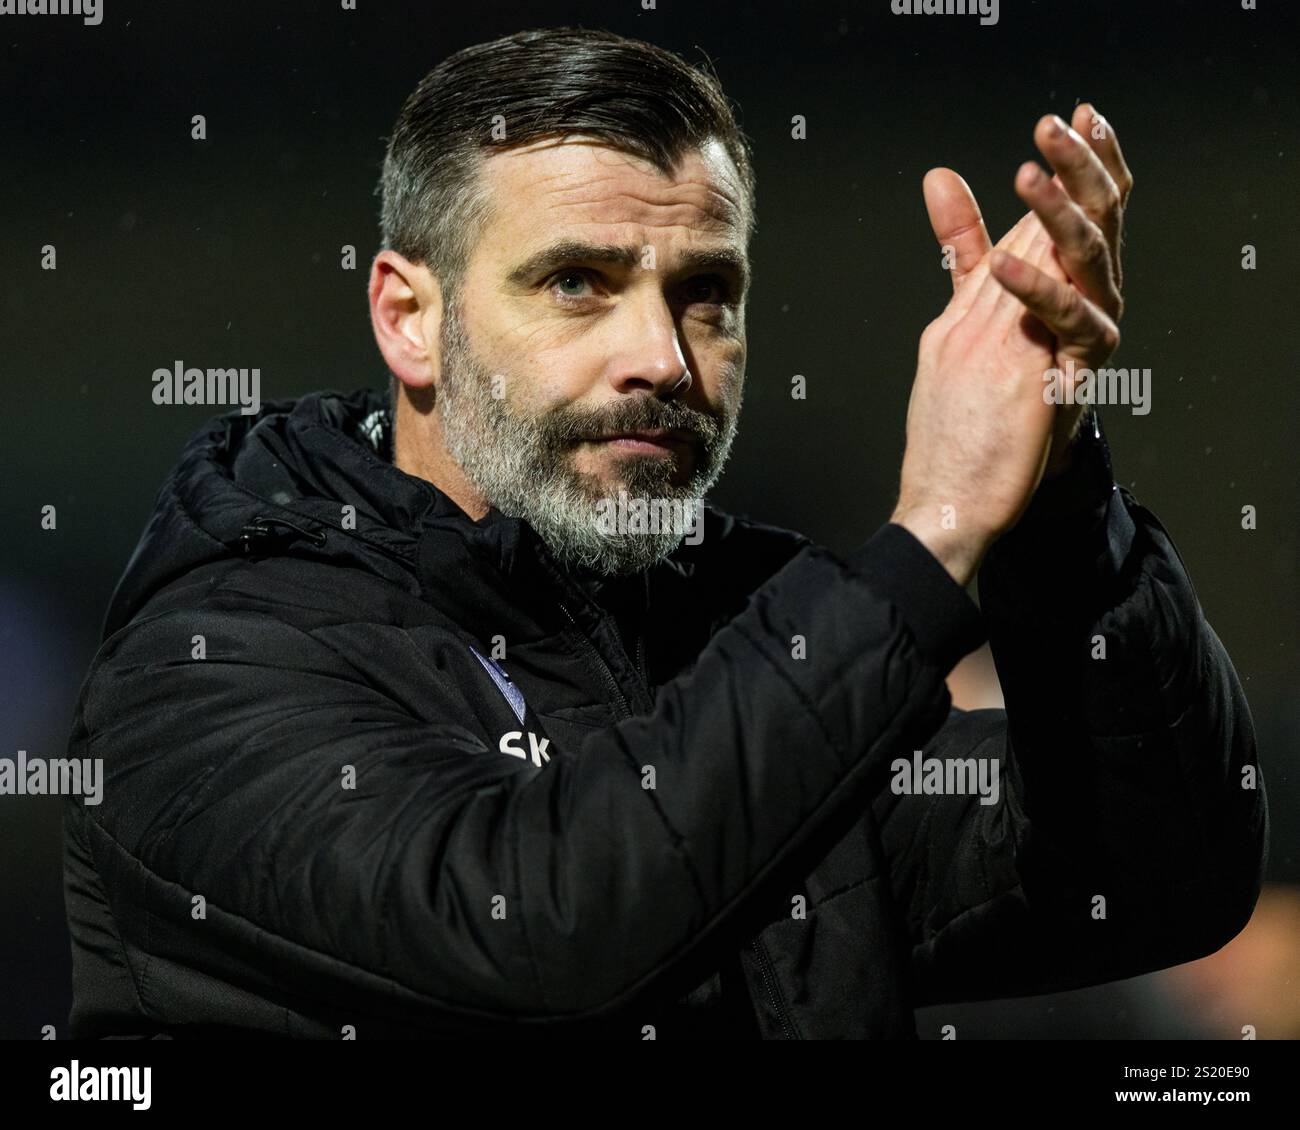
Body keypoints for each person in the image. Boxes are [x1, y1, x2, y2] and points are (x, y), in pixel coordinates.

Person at [63, 26, 1267, 1039]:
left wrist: (1050, 505)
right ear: (406, 318)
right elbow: (537, 932)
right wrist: (926, 539)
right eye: (576, 282)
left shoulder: (757, 622)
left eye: (707, 293)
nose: (665, 358)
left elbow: (1151, 876)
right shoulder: (209, 667)